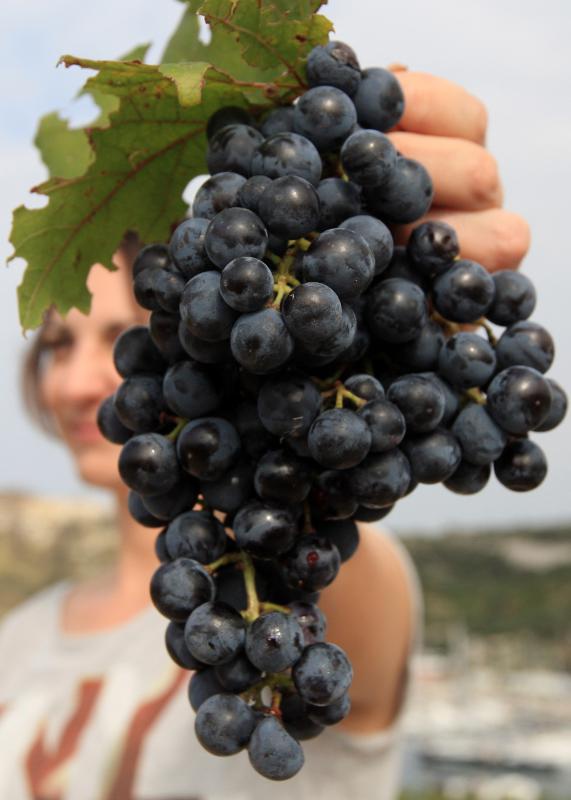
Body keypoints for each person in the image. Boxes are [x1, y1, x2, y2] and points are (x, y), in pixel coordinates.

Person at [0, 70, 529, 800]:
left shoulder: (324, 574)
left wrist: (385, 225)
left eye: (116, 333)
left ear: (194, 340)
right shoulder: (19, 637)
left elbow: (331, 495)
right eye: (59, 344)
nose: (80, 382)